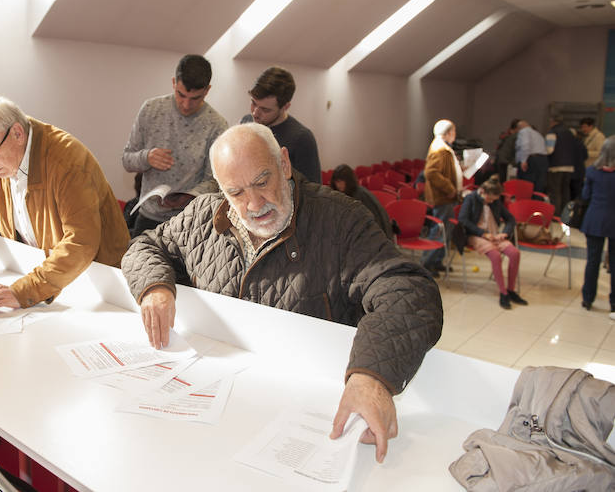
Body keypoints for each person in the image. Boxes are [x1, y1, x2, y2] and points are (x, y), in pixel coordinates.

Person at [121, 123, 442, 463]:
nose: (254, 203)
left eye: (262, 181)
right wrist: (155, 288)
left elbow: (409, 290)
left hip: (309, 412)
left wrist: (371, 376)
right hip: (220, 412)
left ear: (284, 164)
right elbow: (145, 246)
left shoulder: (340, 221)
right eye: (237, 192)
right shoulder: (202, 215)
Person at [0, 95, 130, 310]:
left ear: (17, 133)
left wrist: (23, 291)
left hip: (100, 286)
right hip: (48, 281)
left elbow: (80, 242)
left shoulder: (67, 160)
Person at [122, 54, 227, 237]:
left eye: (195, 98)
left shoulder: (217, 125)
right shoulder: (151, 109)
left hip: (189, 223)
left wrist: (189, 196)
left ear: (207, 90)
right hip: (148, 218)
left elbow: (215, 181)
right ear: (173, 83)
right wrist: (147, 157)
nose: (186, 105)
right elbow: (127, 160)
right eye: (181, 95)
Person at [239, 66, 321, 182]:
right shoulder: (245, 122)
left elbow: (313, 192)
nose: (255, 113)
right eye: (253, 103)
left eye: (265, 109)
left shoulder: (302, 138)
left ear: (285, 107)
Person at [457, 180, 525, 309]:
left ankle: (511, 290)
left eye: (494, 199)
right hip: (476, 235)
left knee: (515, 253)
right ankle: (503, 293)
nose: (491, 202)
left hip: (494, 235)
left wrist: (504, 233)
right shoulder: (470, 199)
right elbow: (463, 220)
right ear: (482, 192)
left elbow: (510, 219)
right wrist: (482, 233)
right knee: (495, 256)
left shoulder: (495, 201)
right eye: (490, 198)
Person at [579, 135, 615, 318]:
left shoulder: (592, 171)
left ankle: (588, 298)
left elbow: (585, 196)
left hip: (594, 220)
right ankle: (614, 303)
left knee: (593, 261)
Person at [422, 119, 461, 276]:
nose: (455, 135)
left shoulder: (443, 148)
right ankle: (426, 264)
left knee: (446, 230)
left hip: (446, 197)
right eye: (454, 131)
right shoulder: (439, 149)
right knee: (439, 231)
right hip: (442, 196)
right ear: (448, 133)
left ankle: (437, 261)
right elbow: (431, 172)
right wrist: (449, 188)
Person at [329, 164, 393, 239]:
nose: (339, 185)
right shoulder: (354, 192)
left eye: (341, 181)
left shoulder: (359, 195)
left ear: (348, 180)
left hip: (376, 234)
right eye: (337, 181)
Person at [545, 112, 579, 216]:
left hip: (556, 165)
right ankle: (566, 214)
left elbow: (549, 150)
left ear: (552, 121)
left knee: (555, 191)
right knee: (565, 191)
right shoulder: (570, 132)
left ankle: (556, 214)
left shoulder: (552, 132)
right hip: (569, 166)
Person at [515, 120, 548, 193]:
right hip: (542, 160)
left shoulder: (524, 131)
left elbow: (525, 145)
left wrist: (523, 160)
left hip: (531, 160)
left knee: (526, 185)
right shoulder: (537, 134)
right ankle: (536, 202)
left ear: (518, 128)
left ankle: (526, 203)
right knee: (539, 186)